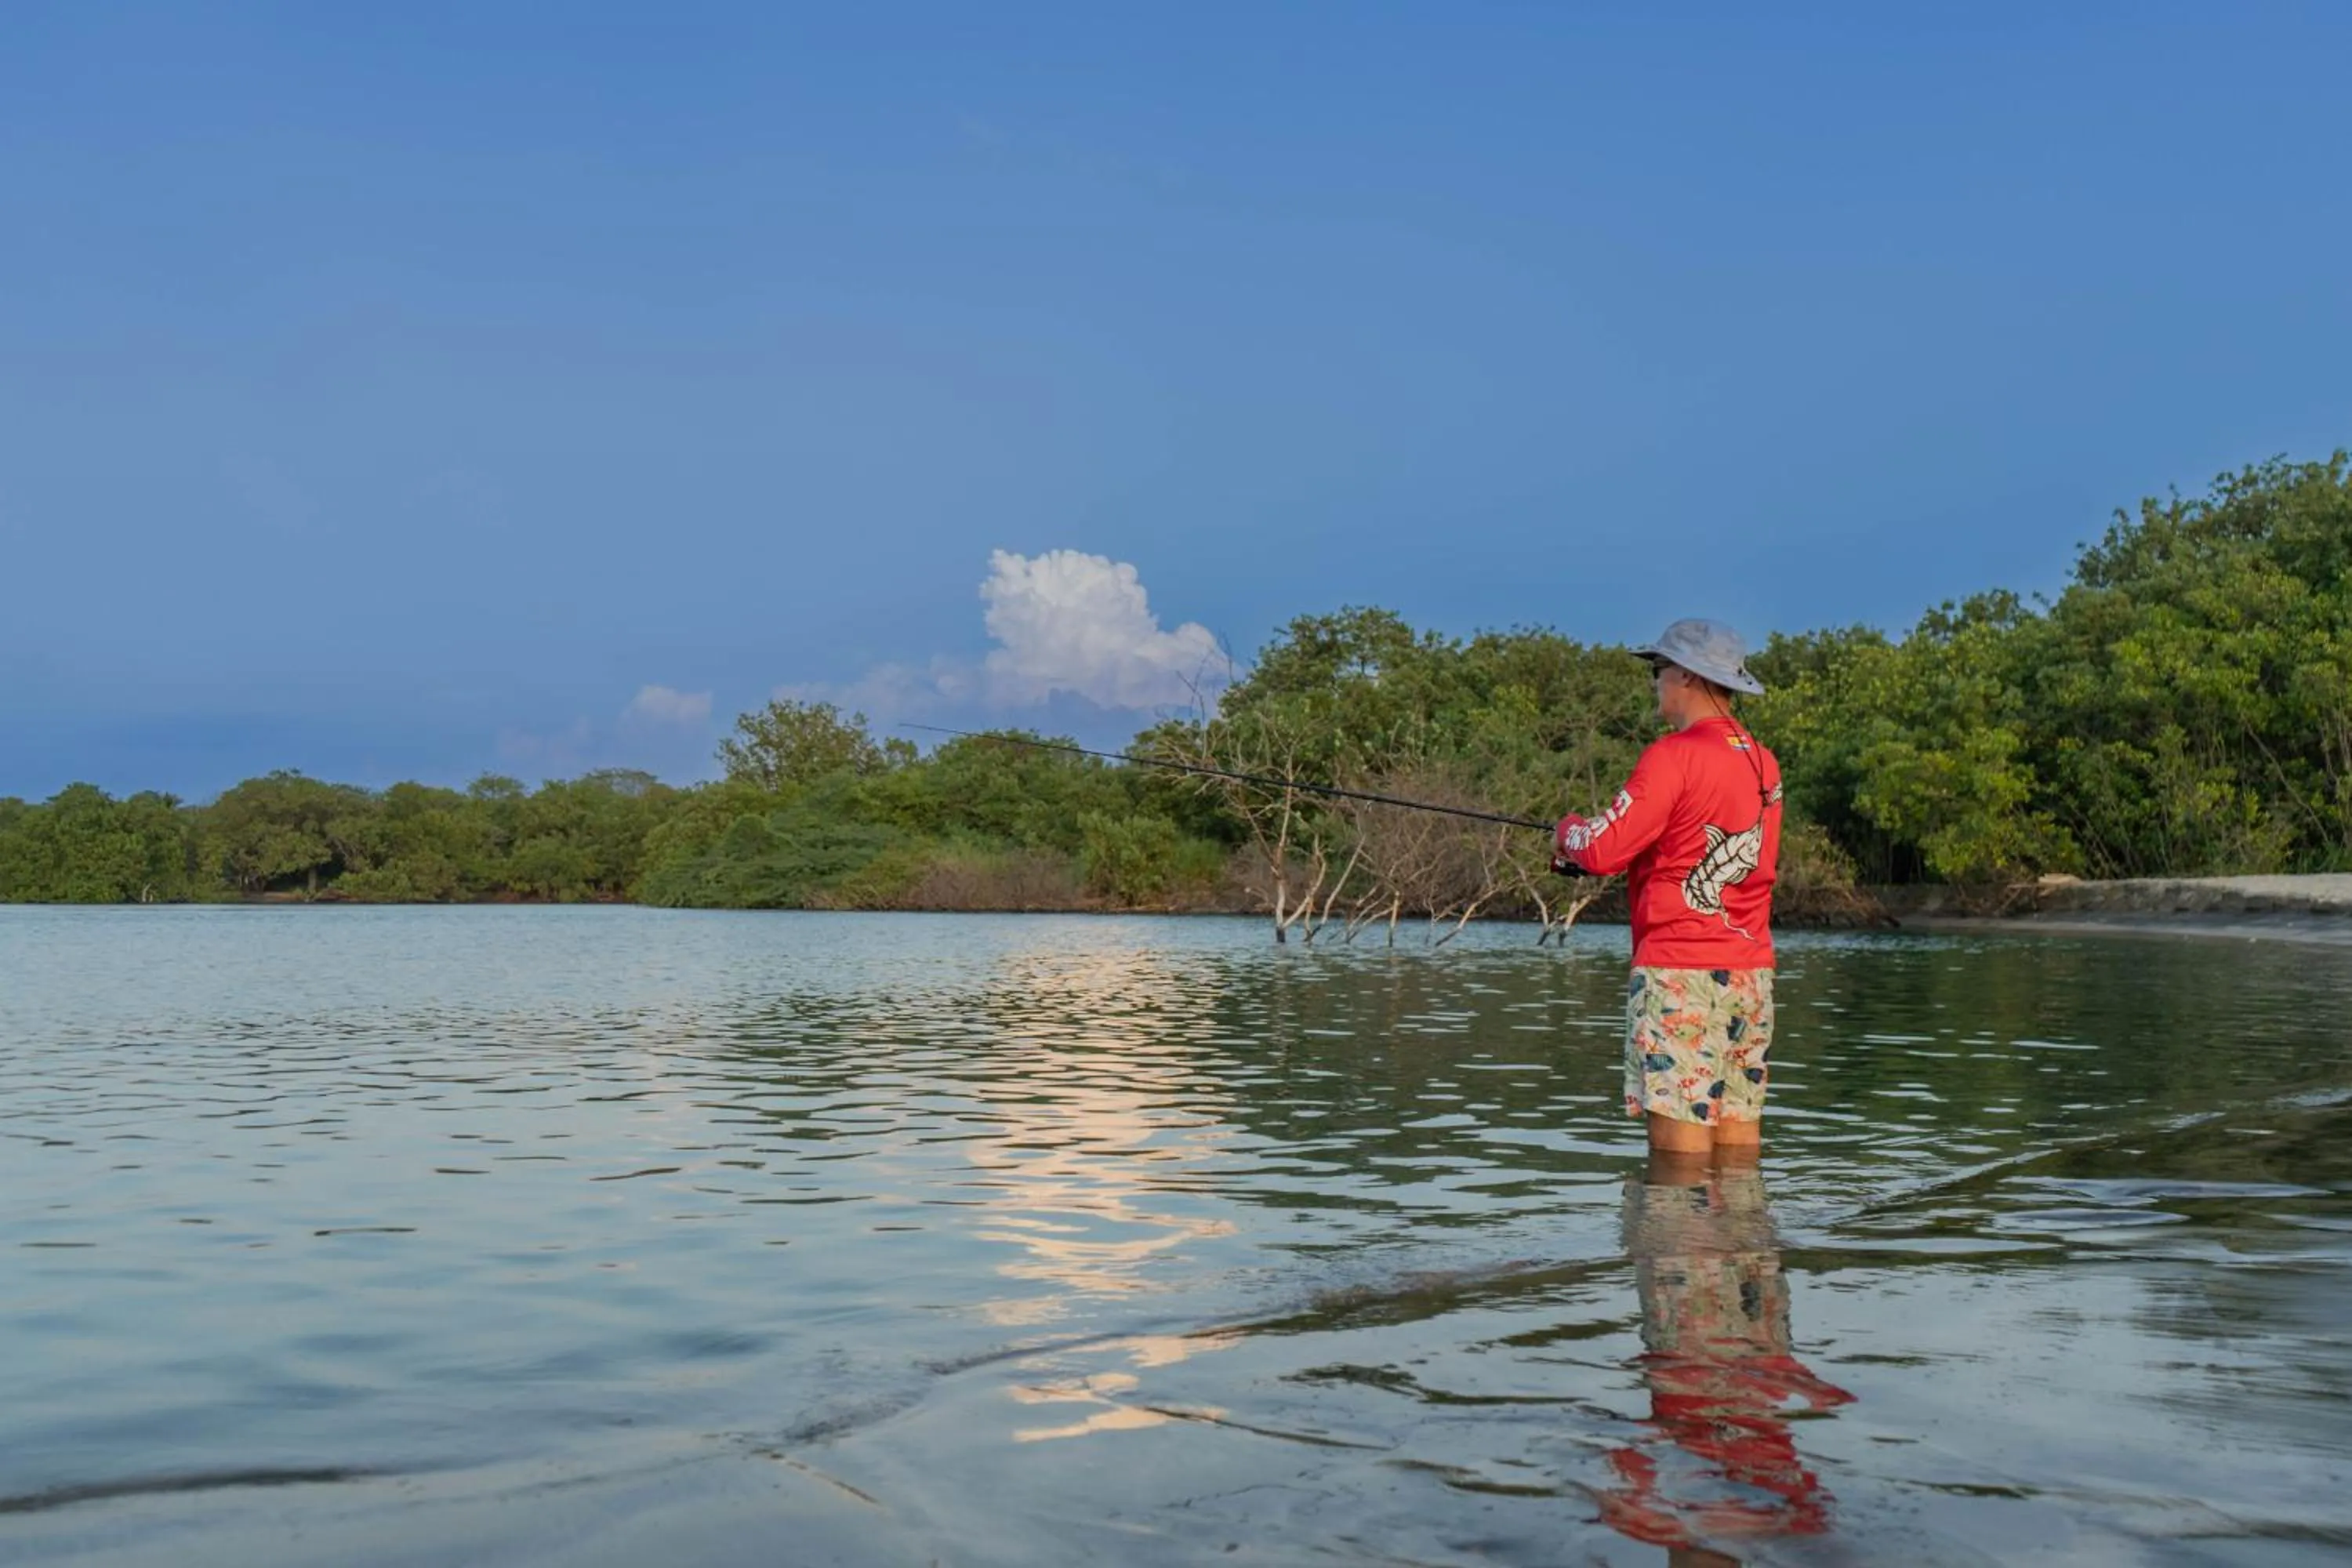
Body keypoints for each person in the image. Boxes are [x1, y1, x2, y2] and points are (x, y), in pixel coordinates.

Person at [1554, 619, 1782, 1160]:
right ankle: (1743, 1243)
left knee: (1679, 1160)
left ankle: (1674, 1244)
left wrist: (1565, 832)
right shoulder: (1763, 762)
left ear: (1686, 675)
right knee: (1736, 1147)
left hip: (1680, 973)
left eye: (1658, 670)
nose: (1654, 682)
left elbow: (1602, 849)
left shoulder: (1672, 756)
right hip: (1750, 977)